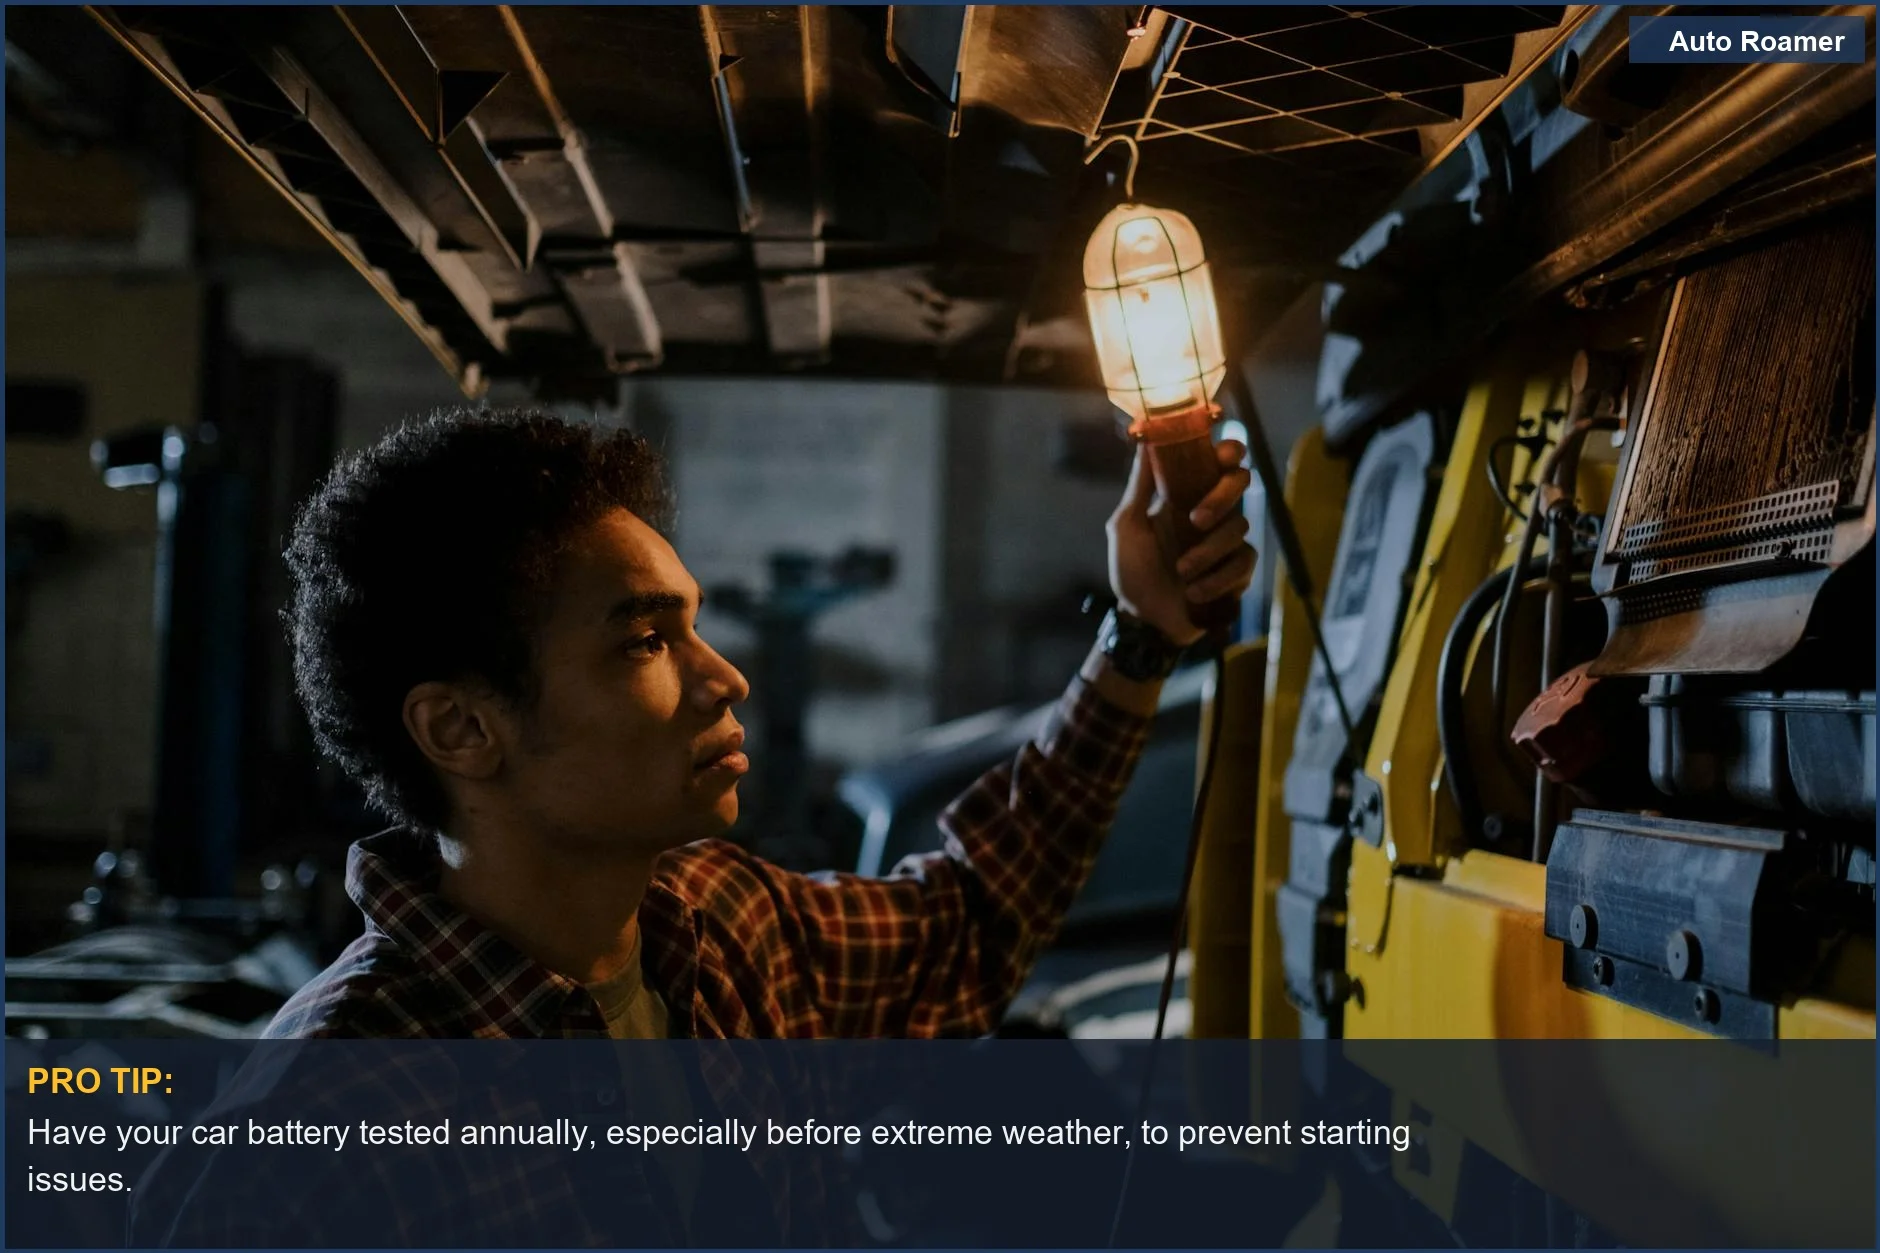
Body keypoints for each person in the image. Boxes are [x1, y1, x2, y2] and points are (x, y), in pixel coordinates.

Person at [128, 406, 1256, 1247]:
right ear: (462, 727)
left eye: (694, 626)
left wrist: (1139, 637)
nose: (725, 679)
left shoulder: (721, 924)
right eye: (642, 640)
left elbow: (968, 919)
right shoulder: (317, 1132)